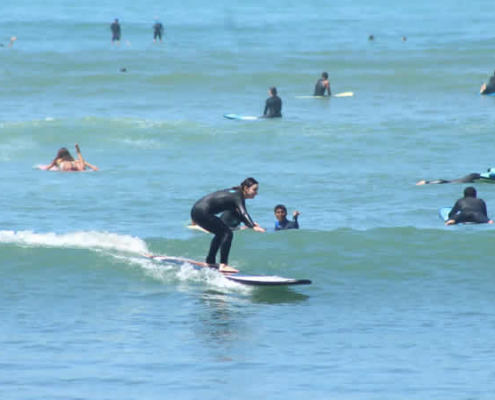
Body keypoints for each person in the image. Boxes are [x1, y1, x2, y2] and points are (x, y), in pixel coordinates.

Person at [190, 178, 266, 273]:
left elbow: (237, 213)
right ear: (246, 188)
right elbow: (243, 213)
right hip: (201, 213)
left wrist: (250, 223)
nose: (256, 193)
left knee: (220, 233)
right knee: (227, 233)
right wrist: (253, 226)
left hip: (197, 212)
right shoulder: (238, 196)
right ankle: (223, 265)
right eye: (254, 189)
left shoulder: (236, 193)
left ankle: (210, 261)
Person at [416, 173, 481, 185]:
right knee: (446, 182)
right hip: (459, 181)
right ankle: (427, 183)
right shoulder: (471, 177)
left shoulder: (470, 177)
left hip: (459, 181)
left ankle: (427, 182)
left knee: (447, 182)